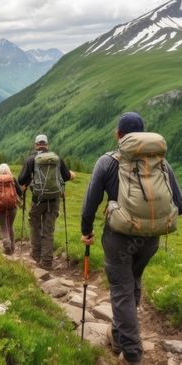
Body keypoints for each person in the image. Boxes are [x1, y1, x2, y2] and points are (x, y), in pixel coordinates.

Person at [81, 112, 182, 365]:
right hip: (150, 240)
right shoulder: (161, 163)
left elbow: (90, 203)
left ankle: (132, 353)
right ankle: (118, 335)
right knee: (133, 281)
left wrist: (86, 230)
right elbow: (179, 204)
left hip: (119, 238)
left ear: (119, 135)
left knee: (122, 290)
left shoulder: (107, 162)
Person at [18, 134, 75, 270]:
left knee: (35, 225)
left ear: (36, 145)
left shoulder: (31, 160)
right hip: (54, 200)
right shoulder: (57, 159)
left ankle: (36, 255)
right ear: (47, 145)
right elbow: (66, 176)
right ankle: (47, 262)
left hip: (37, 200)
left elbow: (20, 180)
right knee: (48, 230)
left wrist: (29, 181)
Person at [0, 163, 23, 255]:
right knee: (10, 226)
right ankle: (12, 247)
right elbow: (21, 192)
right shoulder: (13, 179)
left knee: (3, 227)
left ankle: (7, 245)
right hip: (12, 206)